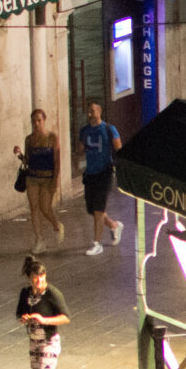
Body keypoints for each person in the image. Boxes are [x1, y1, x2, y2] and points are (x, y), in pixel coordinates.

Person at [16, 256, 70, 369]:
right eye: (36, 278)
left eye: (42, 277)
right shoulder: (26, 294)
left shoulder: (53, 293)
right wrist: (24, 318)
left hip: (49, 342)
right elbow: (20, 313)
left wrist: (44, 319)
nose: (39, 281)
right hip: (34, 340)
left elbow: (65, 317)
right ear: (30, 278)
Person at [78, 101, 123, 255]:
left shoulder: (109, 129)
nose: (90, 114)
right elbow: (80, 149)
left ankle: (97, 243)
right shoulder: (84, 131)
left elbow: (119, 148)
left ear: (100, 111)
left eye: (93, 111)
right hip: (90, 173)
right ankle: (114, 225)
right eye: (88, 111)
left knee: (98, 209)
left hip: (105, 173)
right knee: (92, 209)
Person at [17, 108, 66, 248]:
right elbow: (27, 160)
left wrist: (55, 181)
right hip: (32, 177)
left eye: (39, 120)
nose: (36, 124)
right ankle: (39, 240)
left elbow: (56, 160)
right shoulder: (29, 139)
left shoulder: (52, 137)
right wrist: (19, 154)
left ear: (44, 120)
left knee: (45, 208)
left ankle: (56, 225)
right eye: (34, 121)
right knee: (34, 208)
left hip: (47, 178)